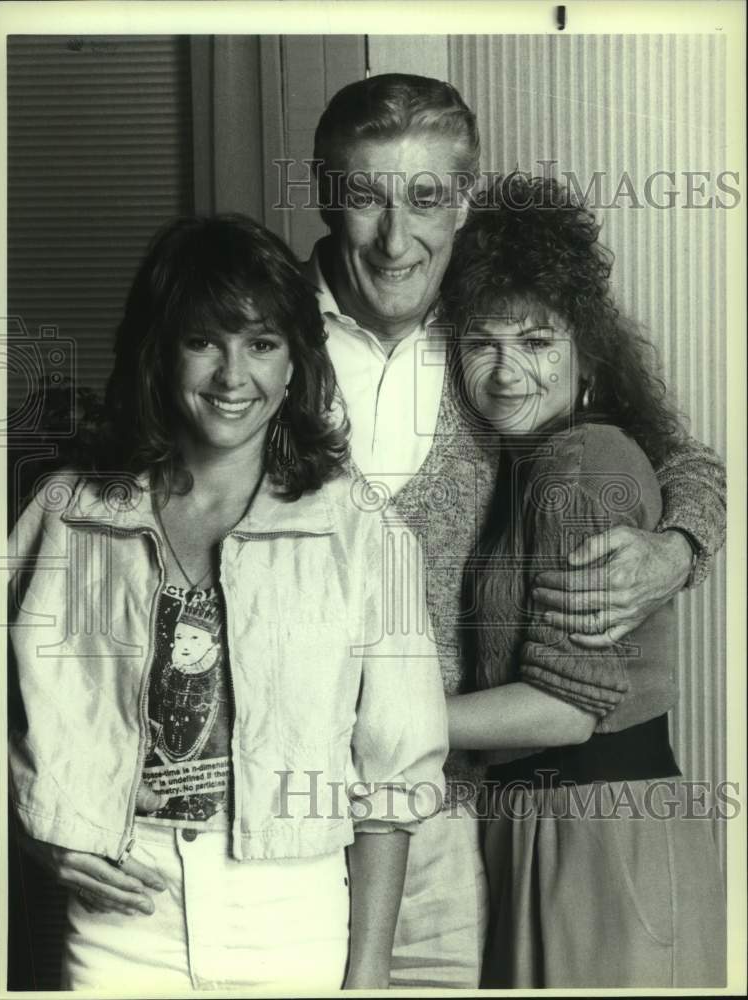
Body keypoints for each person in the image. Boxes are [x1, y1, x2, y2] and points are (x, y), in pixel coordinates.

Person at [305, 73, 727, 987]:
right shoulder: (265, 333)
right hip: (288, 781)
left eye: (425, 199)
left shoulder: (490, 315)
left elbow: (669, 456)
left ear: (460, 200)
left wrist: (677, 546)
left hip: (458, 811)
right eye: (366, 198)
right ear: (326, 193)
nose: (395, 237)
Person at [8, 214, 448, 992]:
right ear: (159, 349)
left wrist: (369, 973)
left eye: (262, 344)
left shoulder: (360, 531)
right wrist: (41, 827)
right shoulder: (72, 515)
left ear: (294, 365)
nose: (231, 376)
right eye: (203, 340)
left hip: (293, 906)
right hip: (121, 906)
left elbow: (393, 776)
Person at [441, 174, 726, 988]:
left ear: (584, 353)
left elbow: (565, 710)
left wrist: (378, 722)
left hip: (596, 835)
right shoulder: (527, 462)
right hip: (545, 828)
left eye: (536, 342)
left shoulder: (579, 462)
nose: (504, 372)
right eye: (480, 342)